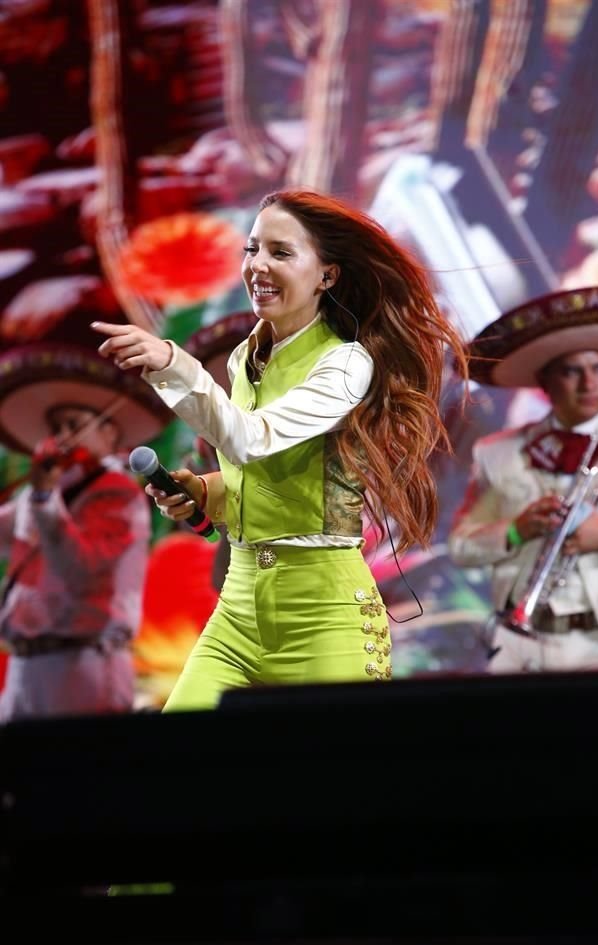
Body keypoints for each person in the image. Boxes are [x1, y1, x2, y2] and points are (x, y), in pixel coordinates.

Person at [93, 187, 468, 710]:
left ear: (327, 275)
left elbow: (253, 440)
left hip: (322, 614)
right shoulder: (246, 356)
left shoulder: (347, 363)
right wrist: (207, 492)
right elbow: (267, 474)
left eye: (281, 253)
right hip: (240, 606)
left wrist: (171, 364)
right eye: (252, 249)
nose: (258, 266)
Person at [448, 286, 598, 673]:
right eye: (571, 371)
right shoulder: (497, 452)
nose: (588, 383)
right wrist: (513, 531)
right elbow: (462, 547)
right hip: (521, 649)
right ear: (545, 384)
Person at [0, 342, 171, 722]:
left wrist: (44, 495)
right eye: (57, 427)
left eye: (73, 425)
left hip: (83, 664)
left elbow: (77, 567)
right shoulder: (43, 494)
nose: (62, 436)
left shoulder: (120, 495)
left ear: (110, 434)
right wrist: (41, 493)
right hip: (27, 663)